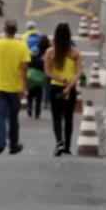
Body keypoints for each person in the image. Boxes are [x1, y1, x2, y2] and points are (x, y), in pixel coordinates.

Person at [0, 19, 31, 154]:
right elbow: (24, 68)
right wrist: (24, 87)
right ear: (15, 31)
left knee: (0, 116)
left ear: (5, 30)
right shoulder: (22, 46)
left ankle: (1, 142)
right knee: (13, 118)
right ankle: (13, 145)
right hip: (15, 88)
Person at [45, 22, 83, 155]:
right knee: (68, 118)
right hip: (70, 89)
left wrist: (61, 80)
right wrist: (69, 86)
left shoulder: (50, 52)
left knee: (56, 117)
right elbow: (78, 72)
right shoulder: (75, 53)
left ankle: (59, 143)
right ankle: (67, 146)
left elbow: (48, 72)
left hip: (55, 87)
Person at [26, 34, 50, 119]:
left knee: (30, 93)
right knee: (39, 95)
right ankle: (37, 112)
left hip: (32, 75)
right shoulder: (48, 52)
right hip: (42, 76)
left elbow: (29, 61)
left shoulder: (35, 51)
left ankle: (29, 106)